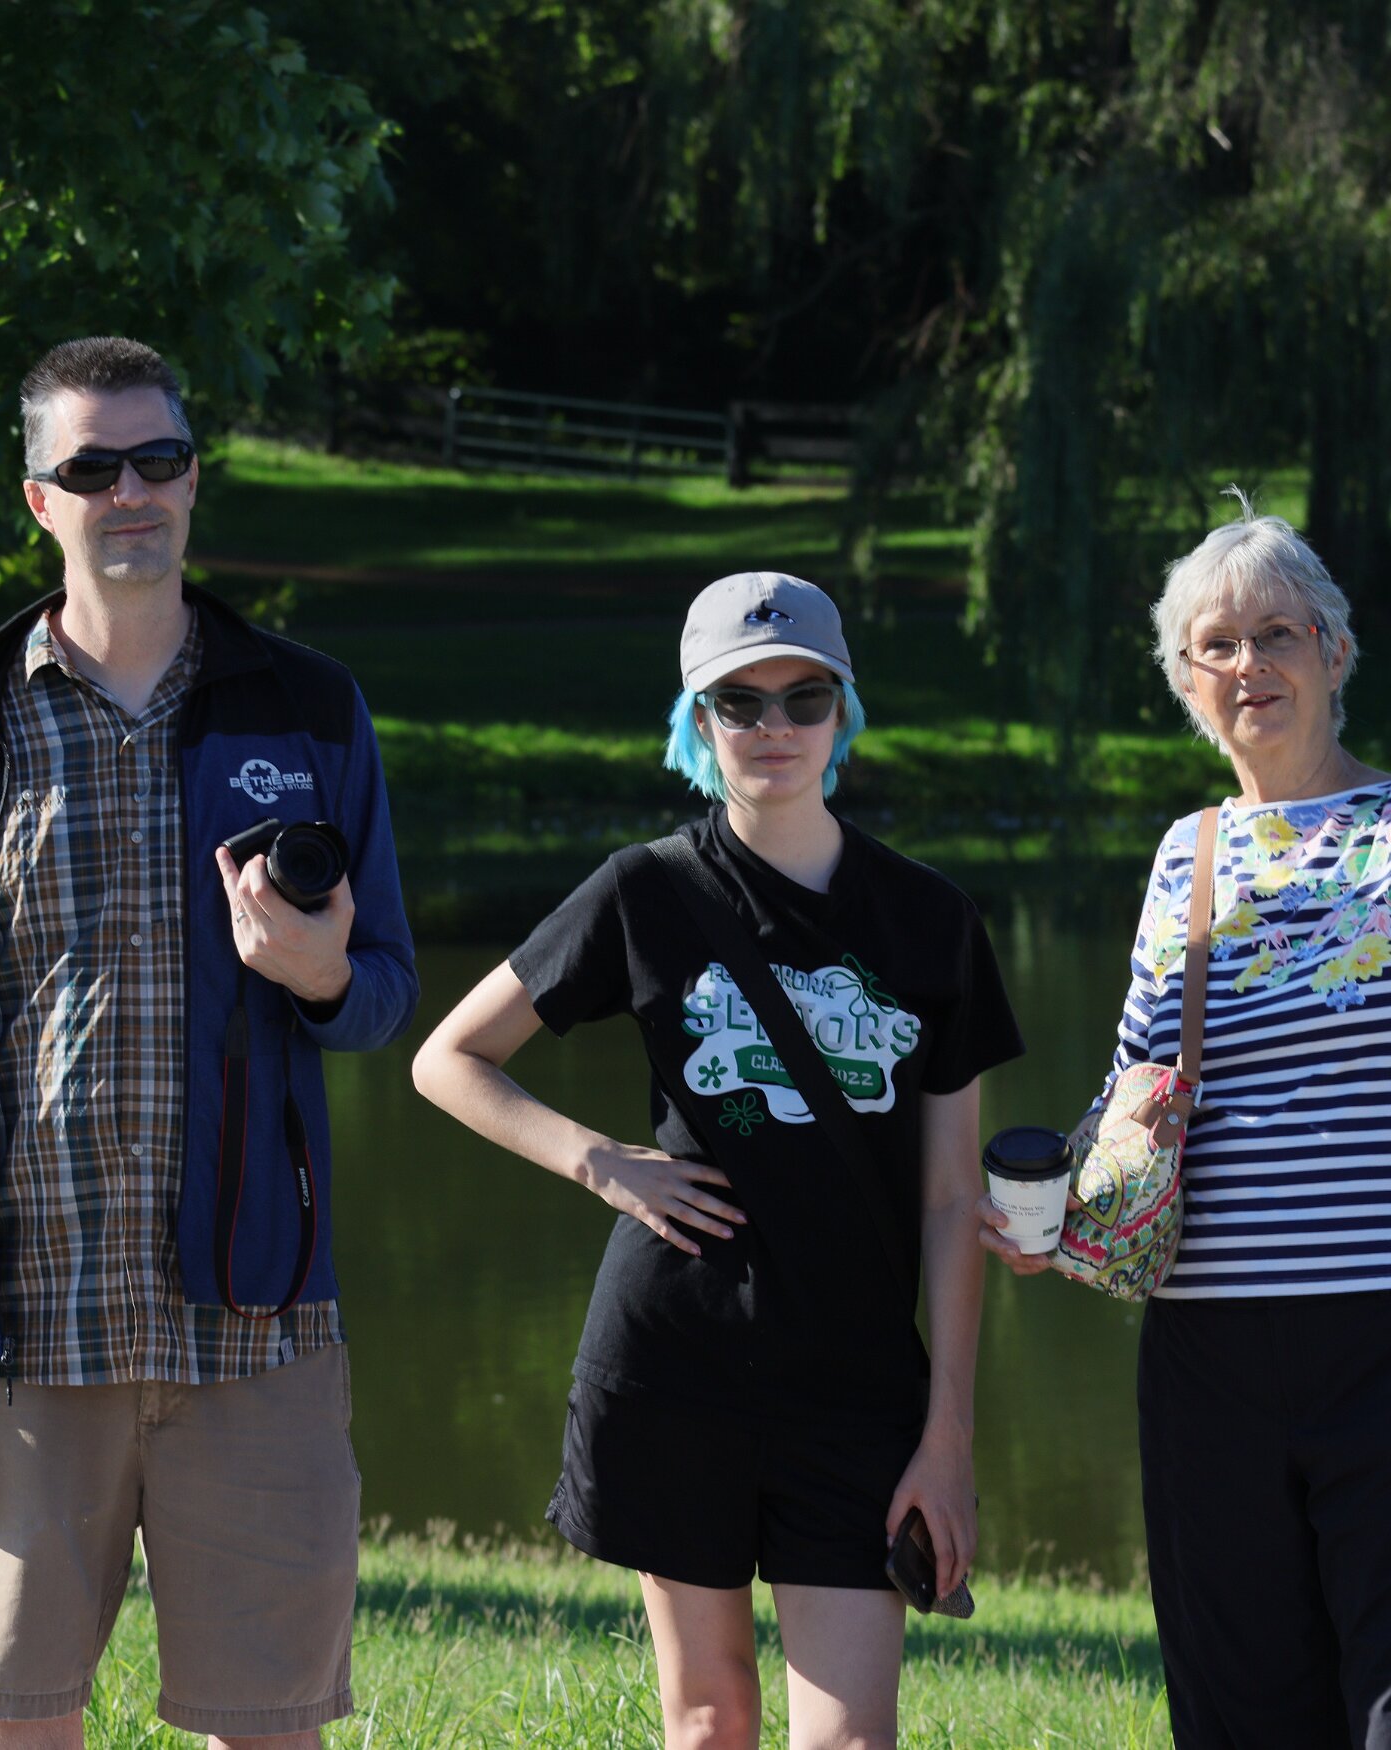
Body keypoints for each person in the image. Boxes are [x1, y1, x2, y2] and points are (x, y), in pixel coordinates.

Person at [984, 382, 1391, 1747]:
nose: (1248, 661)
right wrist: (1057, 1205)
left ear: (1334, 650)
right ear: (1187, 684)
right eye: (1216, 644)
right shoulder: (1185, 854)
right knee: (1245, 1719)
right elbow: (1139, 1081)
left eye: (1276, 632)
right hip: (1213, 1354)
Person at [0, 335, 417, 1747]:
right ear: (38, 499)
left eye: (158, 459)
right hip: (22, 1328)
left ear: (194, 478)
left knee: (268, 1722)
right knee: (18, 1717)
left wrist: (319, 974)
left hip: (258, 1316)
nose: (131, 491)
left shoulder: (305, 706)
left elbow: (384, 990)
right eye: (93, 466)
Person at [412, 573, 1024, 1750]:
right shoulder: (648, 891)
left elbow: (954, 1201)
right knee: (708, 1721)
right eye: (739, 702)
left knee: (851, 1738)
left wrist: (947, 1435)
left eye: (804, 697)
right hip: (675, 1361)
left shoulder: (932, 921)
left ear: (844, 710)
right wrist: (601, 1160)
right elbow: (449, 1058)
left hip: (856, 1384)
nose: (773, 726)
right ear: (698, 720)